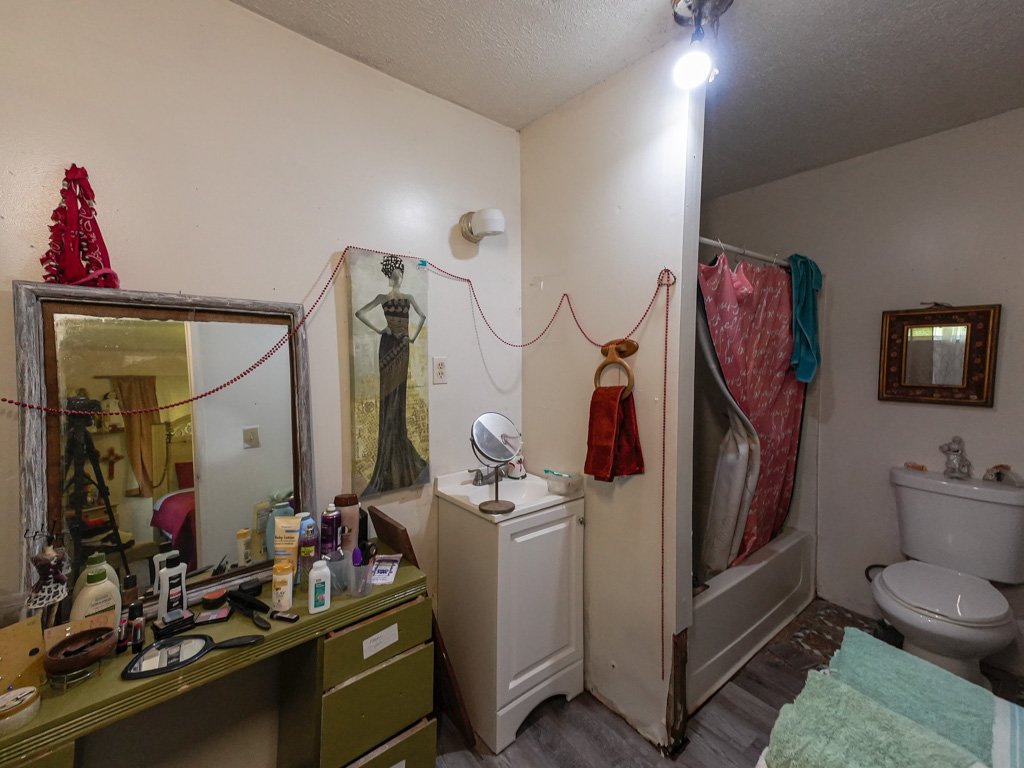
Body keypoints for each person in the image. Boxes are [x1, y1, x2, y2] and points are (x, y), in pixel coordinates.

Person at [355, 255, 429, 495]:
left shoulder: (407, 298)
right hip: (389, 347)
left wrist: (412, 337)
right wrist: (381, 330)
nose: (398, 277)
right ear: (391, 275)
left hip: (400, 348)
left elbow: (422, 316)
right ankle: (388, 455)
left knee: (399, 396)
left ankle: (398, 448)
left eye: (400, 274)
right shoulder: (384, 298)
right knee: (388, 397)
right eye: (396, 274)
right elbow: (359, 313)